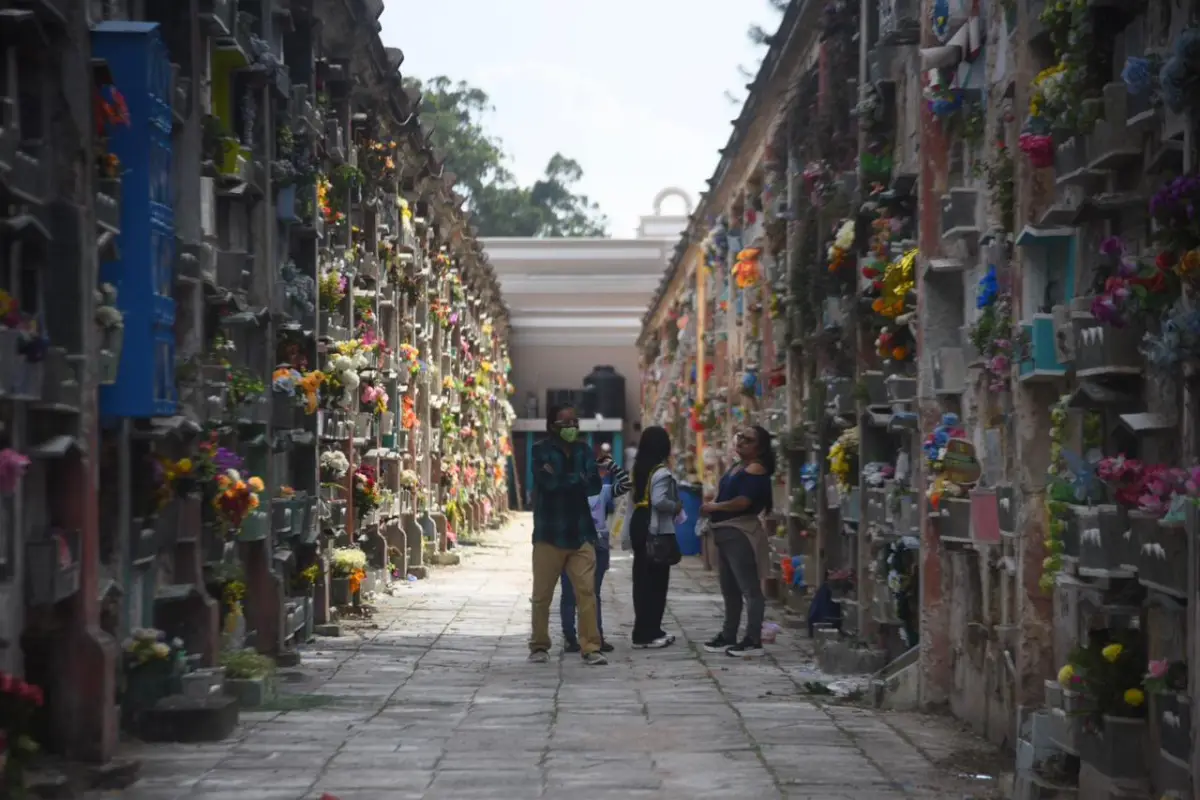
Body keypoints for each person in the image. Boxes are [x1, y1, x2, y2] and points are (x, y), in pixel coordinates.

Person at [529, 404, 608, 665]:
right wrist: (578, 478)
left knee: (586, 593)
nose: (572, 428)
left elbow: (594, 485)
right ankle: (539, 645)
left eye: (575, 422)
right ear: (553, 426)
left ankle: (591, 647)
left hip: (581, 532)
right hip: (549, 532)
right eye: (566, 424)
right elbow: (548, 483)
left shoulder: (584, 450)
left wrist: (565, 477)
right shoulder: (540, 450)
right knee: (542, 595)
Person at [700, 425, 776, 657]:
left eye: (748, 439)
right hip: (724, 532)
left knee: (749, 588)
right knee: (729, 588)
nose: (741, 441)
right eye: (740, 436)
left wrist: (715, 507)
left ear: (759, 448)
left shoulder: (755, 469)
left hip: (739, 531)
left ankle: (753, 639)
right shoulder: (738, 466)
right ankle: (728, 634)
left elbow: (743, 501)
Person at [560, 453, 630, 653]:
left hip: (596, 543)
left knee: (591, 593)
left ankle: (593, 636)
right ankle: (571, 637)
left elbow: (626, 484)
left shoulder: (604, 490)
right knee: (571, 593)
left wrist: (612, 466)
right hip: (574, 542)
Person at [624, 425, 681, 649]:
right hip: (655, 529)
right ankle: (650, 632)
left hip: (640, 524)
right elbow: (659, 501)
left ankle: (642, 630)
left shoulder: (639, 469)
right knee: (657, 582)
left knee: (642, 581)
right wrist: (675, 506)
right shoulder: (661, 472)